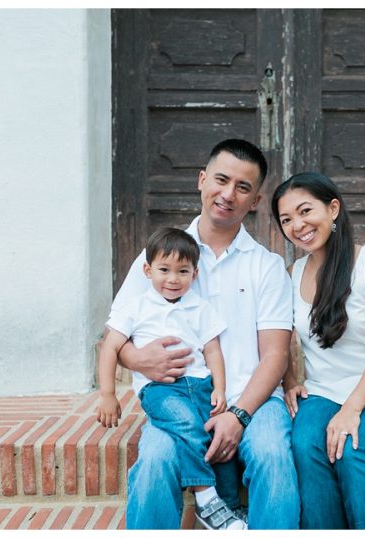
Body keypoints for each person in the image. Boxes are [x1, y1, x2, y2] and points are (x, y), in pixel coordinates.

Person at [112, 139, 299, 529]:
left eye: (243, 187)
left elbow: (276, 357)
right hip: (182, 400)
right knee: (154, 462)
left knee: (273, 455)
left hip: (255, 399)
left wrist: (239, 414)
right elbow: (117, 333)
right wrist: (135, 358)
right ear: (202, 181)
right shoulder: (160, 257)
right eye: (221, 180)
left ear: (256, 201)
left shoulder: (266, 266)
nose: (228, 194)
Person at [271, 171, 365, 529]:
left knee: (353, 449)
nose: (298, 225)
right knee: (306, 445)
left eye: (306, 211)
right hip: (324, 392)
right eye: (287, 220)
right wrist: (290, 379)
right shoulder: (292, 273)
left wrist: (352, 409)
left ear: (333, 208)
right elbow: (275, 336)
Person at [96, 226, 245, 530]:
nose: (173, 279)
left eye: (183, 271)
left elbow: (213, 351)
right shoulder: (136, 307)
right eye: (164, 269)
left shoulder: (200, 308)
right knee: (188, 425)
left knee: (219, 440)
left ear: (195, 274)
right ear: (147, 270)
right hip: (161, 390)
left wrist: (220, 389)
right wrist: (107, 394)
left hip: (201, 387)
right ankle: (205, 497)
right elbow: (110, 347)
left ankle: (228, 509)